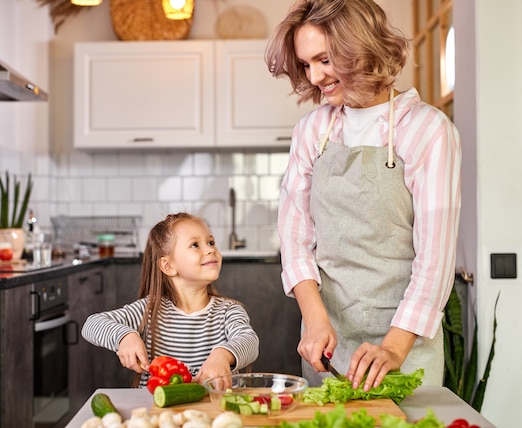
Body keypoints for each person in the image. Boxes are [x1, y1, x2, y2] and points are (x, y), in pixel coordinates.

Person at [265, 0, 461, 392]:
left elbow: (435, 258)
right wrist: (315, 318)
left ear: (359, 47)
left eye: (324, 59)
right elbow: (294, 236)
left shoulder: (427, 129)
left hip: (405, 343)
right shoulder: (311, 130)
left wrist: (393, 348)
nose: (315, 76)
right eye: (306, 65)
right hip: (328, 343)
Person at [81, 212, 259, 388]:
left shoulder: (229, 311)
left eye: (211, 242)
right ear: (168, 266)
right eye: (195, 245)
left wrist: (222, 355)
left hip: (216, 411)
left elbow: (249, 341)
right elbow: (91, 324)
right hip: (158, 412)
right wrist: (124, 336)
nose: (211, 249)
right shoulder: (149, 310)